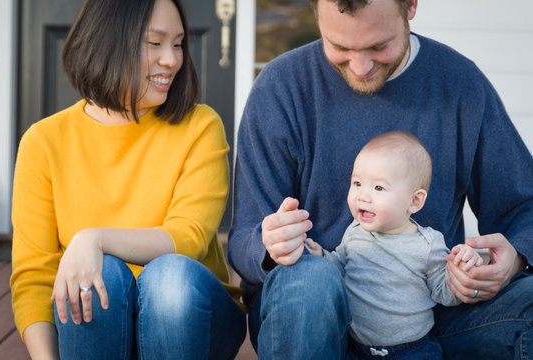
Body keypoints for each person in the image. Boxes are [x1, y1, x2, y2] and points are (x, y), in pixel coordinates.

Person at [228, 0, 533, 359]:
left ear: (411, 6)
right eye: (339, 47)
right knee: (311, 280)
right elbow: (245, 236)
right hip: (311, 314)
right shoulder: (281, 87)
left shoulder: (460, 84)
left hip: (429, 321)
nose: (360, 66)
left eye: (378, 46)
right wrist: (271, 246)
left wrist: (512, 259)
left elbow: (523, 207)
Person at [10, 0, 246, 359]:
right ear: (106, 42)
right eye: (155, 43)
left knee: (168, 276)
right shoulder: (44, 142)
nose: (172, 59)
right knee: (96, 275)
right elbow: (34, 277)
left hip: (190, 319)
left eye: (179, 43)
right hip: (98, 324)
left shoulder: (200, 125)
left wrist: (95, 238)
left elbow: (189, 238)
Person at [305, 131, 484, 359]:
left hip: (412, 350)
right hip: (357, 349)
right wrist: (321, 255)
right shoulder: (354, 232)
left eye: (378, 188)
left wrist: (462, 272)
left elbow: (444, 293)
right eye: (357, 183)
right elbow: (340, 267)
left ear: (414, 201)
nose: (363, 196)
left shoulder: (427, 245)